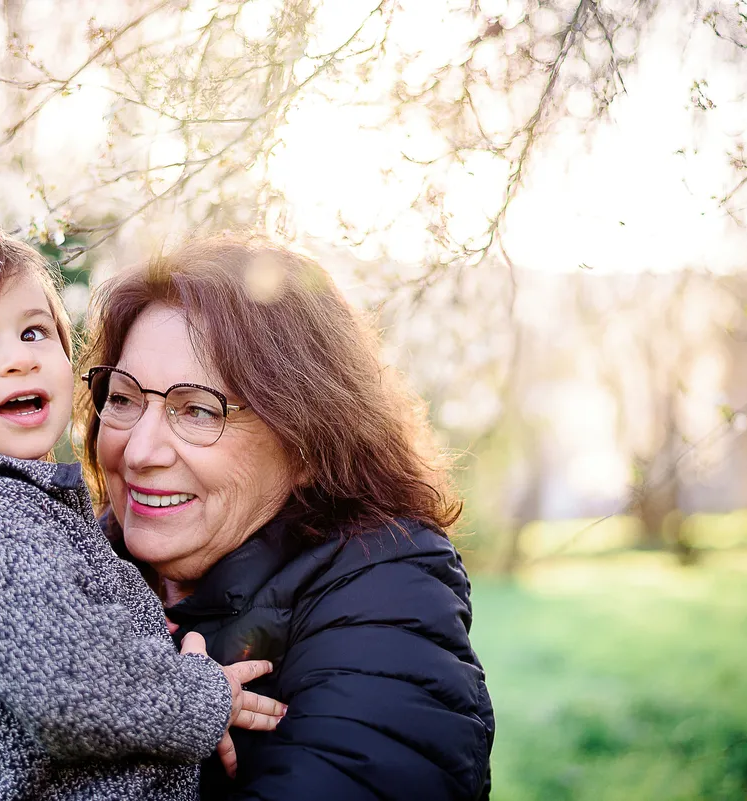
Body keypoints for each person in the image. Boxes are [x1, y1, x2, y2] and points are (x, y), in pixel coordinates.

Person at [0, 225, 284, 801]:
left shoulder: (0, 510)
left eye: (34, 331)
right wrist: (201, 698)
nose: (19, 359)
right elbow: (70, 689)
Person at [76, 232, 496, 800]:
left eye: (197, 410)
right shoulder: (56, 562)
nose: (139, 449)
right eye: (123, 398)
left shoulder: (388, 593)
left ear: (305, 442)